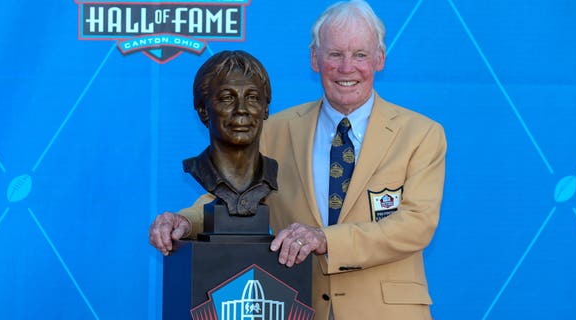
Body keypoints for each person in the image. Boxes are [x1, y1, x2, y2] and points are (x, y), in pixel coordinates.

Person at [149, 0, 446, 319]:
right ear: (314, 59)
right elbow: (232, 197)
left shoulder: (421, 134)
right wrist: (185, 221)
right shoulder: (276, 129)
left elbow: (416, 225)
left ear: (380, 58)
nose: (347, 67)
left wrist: (325, 240)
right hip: (301, 308)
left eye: (359, 54)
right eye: (335, 54)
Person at [182, 50, 277, 217]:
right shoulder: (198, 168)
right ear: (203, 111)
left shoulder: (274, 172)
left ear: (265, 109)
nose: (241, 110)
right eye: (227, 98)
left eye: (252, 97)